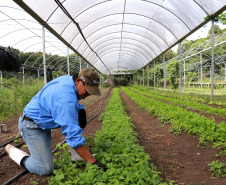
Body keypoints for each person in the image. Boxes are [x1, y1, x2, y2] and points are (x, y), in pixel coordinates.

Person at [5, 68, 105, 176]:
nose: (89, 94)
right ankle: (15, 153)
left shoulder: (69, 81)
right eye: (88, 89)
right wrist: (94, 162)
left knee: (77, 117)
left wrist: (80, 110)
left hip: (43, 120)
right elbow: (72, 134)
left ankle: (77, 156)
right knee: (44, 169)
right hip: (31, 125)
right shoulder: (65, 98)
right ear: (78, 81)